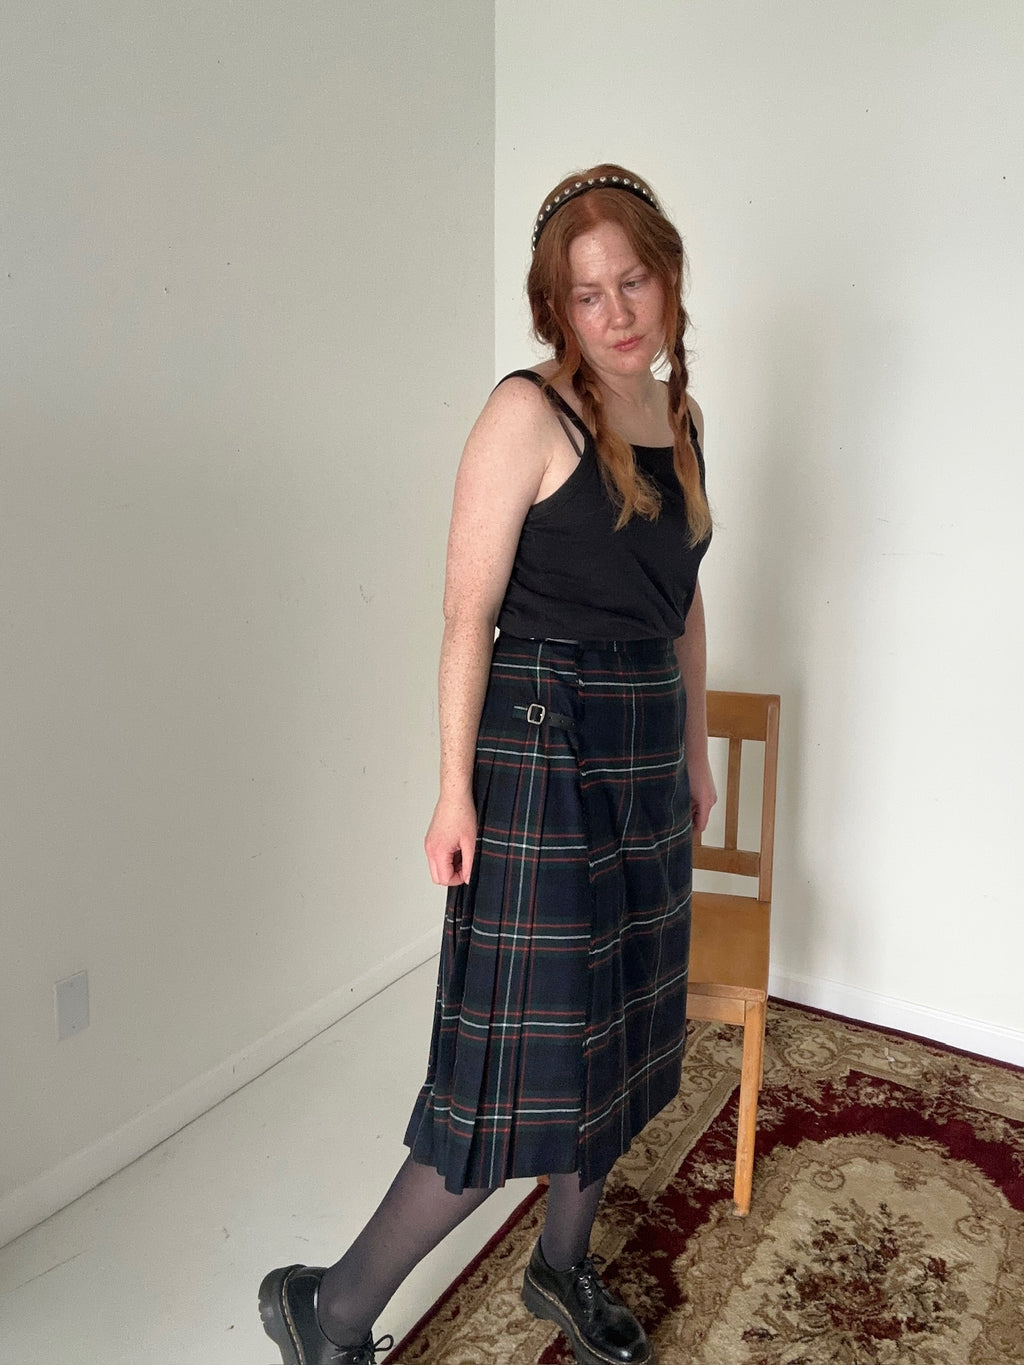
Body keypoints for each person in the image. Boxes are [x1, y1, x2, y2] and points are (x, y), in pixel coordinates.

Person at [258, 163, 716, 1365]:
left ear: (668, 280)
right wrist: (454, 788)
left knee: (620, 1043)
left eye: (633, 281)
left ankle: (558, 1273)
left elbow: (681, 610)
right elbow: (467, 617)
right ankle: (332, 1308)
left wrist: (696, 750)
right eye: (585, 294)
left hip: (643, 754)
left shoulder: (681, 422)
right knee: (512, 1073)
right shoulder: (525, 413)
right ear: (552, 309)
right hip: (540, 752)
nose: (615, 310)